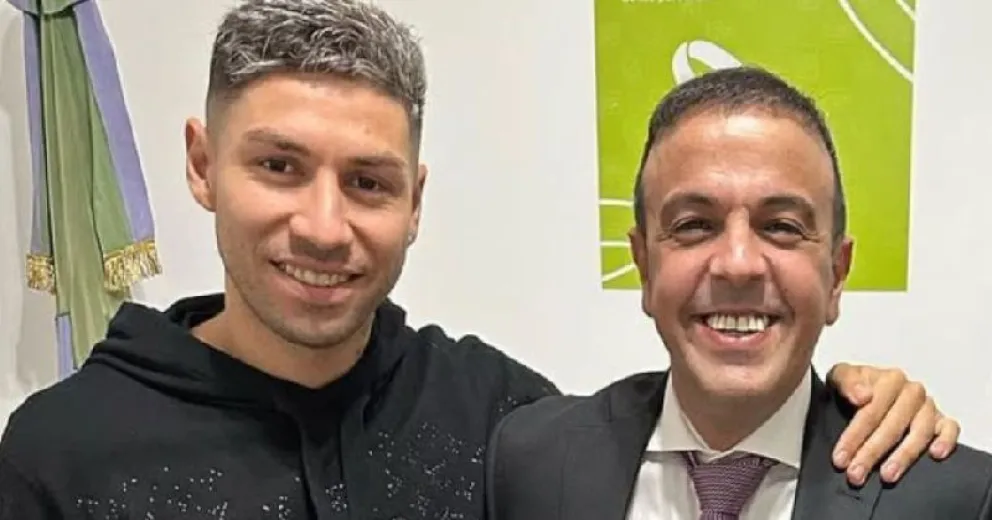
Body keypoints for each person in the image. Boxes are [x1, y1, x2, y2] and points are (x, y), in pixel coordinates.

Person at [0, 2, 966, 519]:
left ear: (415, 201)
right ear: (203, 165)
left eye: (369, 182)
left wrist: (853, 399)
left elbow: (710, 409)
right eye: (279, 167)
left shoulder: (506, 420)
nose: (325, 226)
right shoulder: (57, 452)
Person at [484, 66, 992, 520]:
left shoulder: (956, 498)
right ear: (644, 266)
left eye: (782, 226)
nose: (738, 264)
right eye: (694, 224)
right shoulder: (530, 460)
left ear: (836, 274)